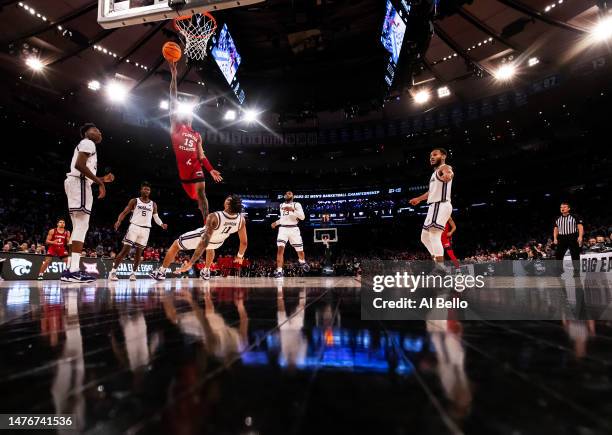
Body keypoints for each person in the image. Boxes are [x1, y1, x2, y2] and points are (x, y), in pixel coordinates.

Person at [168, 60, 223, 223]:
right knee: (196, 197)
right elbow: (172, 99)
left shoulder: (197, 135)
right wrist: (173, 76)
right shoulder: (176, 126)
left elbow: (201, 155)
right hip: (184, 174)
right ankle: (202, 212)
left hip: (196, 169)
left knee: (202, 195)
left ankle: (207, 223)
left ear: (192, 117)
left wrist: (211, 170)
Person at [150, 195, 247, 280]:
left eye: (228, 199)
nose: (226, 199)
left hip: (201, 238)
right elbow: (244, 243)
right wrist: (239, 256)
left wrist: (190, 263)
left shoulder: (214, 216)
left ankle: (161, 272)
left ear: (228, 203)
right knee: (210, 246)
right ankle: (206, 271)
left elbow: (204, 242)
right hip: (218, 243)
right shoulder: (241, 220)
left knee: (176, 244)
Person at [62, 123, 114, 283]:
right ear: (86, 133)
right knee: (82, 226)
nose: (99, 132)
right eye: (95, 130)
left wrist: (101, 179)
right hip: (79, 184)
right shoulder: (88, 143)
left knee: (77, 226)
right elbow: (79, 165)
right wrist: (100, 182)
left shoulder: (87, 145)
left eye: (99, 130)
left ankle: (69, 270)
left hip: (76, 183)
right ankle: (74, 271)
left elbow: (81, 168)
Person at [109, 182, 167, 281]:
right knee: (125, 250)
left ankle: (133, 273)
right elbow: (125, 212)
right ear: (141, 190)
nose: (146, 191)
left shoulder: (153, 204)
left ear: (150, 192)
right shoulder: (134, 201)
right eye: (144, 189)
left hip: (146, 230)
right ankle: (113, 272)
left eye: (148, 190)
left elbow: (156, 217)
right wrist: (119, 221)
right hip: (134, 227)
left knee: (138, 253)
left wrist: (161, 224)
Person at [409, 148, 454, 271]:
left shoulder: (444, 168)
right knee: (424, 237)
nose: (432, 157)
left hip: (441, 204)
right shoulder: (434, 174)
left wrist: (448, 175)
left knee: (434, 234)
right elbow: (430, 192)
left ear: (443, 156)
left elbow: (448, 172)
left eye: (435, 154)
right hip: (433, 206)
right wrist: (418, 199)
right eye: (430, 156)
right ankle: (439, 264)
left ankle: (440, 268)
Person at [271, 191, 310, 279]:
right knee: (280, 249)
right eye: (286, 194)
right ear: (284, 196)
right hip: (283, 229)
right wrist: (276, 223)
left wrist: (292, 210)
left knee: (300, 251)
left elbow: (302, 217)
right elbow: (283, 218)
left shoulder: (297, 204)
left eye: (290, 193)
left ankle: (302, 261)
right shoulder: (281, 205)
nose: (287, 194)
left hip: (294, 229)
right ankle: (280, 271)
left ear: (293, 196)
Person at [553, 202, 584, 276]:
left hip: (572, 237)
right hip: (561, 238)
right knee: (558, 255)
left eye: (564, 207)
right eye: (561, 207)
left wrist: (580, 236)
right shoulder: (557, 218)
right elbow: (555, 229)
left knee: (575, 255)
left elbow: (580, 227)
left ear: (569, 208)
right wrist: (555, 238)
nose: (562, 208)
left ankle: (576, 272)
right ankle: (559, 271)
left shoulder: (575, 216)